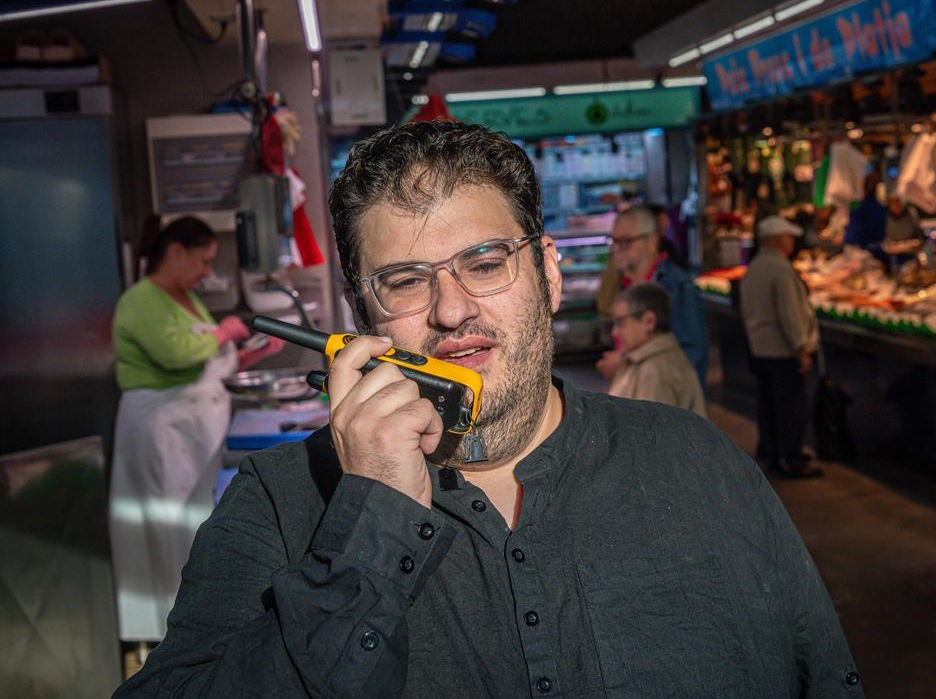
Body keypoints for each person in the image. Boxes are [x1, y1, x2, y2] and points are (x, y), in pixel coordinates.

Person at [114, 121, 862, 698]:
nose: (452, 310)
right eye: (405, 281)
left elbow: (827, 678)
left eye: (485, 263)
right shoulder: (279, 503)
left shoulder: (696, 464)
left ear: (548, 271)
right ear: (359, 315)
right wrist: (369, 519)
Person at [109, 216, 284, 651]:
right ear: (176, 251)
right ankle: (168, 638)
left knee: (191, 530)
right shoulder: (139, 300)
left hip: (193, 439)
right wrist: (225, 331)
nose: (208, 271)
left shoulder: (185, 298)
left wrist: (253, 352)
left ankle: (195, 626)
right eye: (204, 260)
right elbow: (175, 354)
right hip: (161, 434)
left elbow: (207, 367)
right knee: (163, 529)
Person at [740, 215, 824, 480]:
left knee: (768, 406)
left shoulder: (754, 267)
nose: (792, 242)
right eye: (788, 237)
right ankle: (792, 458)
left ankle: (771, 454)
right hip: (782, 350)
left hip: (760, 348)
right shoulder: (780, 270)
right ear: (777, 240)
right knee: (790, 407)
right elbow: (790, 313)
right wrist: (802, 347)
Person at [597, 205, 708, 384]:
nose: (617, 249)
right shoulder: (623, 287)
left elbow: (690, 358)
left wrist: (628, 366)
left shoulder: (677, 286)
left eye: (625, 242)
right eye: (614, 241)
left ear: (652, 242)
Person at [606, 283, 706, 417]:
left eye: (620, 322)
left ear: (649, 321)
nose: (615, 332)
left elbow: (649, 434)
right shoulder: (646, 361)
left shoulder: (654, 370)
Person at [843, 171, 886, 251]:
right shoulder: (883, 210)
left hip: (865, 253)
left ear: (864, 188)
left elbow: (851, 237)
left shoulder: (858, 210)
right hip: (880, 253)